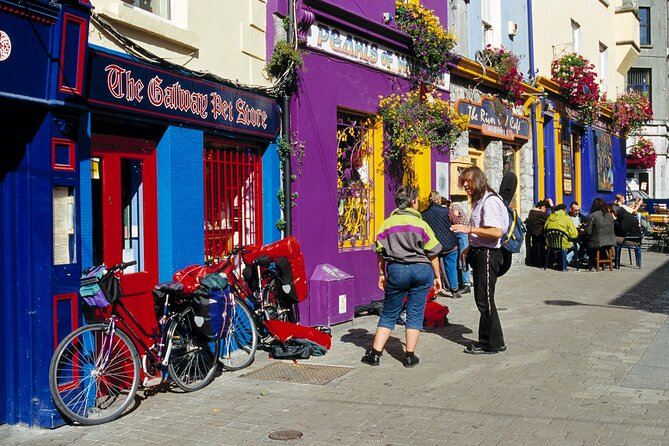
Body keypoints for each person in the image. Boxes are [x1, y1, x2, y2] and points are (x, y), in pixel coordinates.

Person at [362, 186, 442, 368]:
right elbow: (433, 253)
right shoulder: (422, 225)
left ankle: (375, 354)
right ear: (413, 202)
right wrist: (437, 276)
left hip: (397, 270)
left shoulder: (387, 224)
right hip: (422, 270)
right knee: (415, 312)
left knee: (389, 312)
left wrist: (381, 273)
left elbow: (380, 251)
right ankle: (409, 356)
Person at [451, 166, 509, 355]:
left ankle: (491, 343)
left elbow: (496, 231)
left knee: (485, 299)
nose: (465, 186)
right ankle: (490, 340)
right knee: (483, 299)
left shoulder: (489, 201)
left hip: (488, 254)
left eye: (468, 181)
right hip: (480, 251)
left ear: (478, 180)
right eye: (463, 182)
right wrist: (470, 247)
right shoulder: (478, 200)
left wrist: (469, 230)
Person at [422, 191, 461, 298]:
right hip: (450, 243)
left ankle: (432, 291)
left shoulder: (424, 214)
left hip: (433, 245)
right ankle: (454, 290)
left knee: (432, 267)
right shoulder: (447, 211)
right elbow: (456, 222)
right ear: (439, 199)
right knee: (451, 266)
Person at [447, 199, 472, 294]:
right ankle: (464, 281)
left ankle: (466, 284)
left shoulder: (455, 206)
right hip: (459, 233)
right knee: (460, 257)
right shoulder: (454, 207)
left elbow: (455, 218)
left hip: (462, 233)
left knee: (463, 257)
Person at [585, 198, 616, 270]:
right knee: (600, 243)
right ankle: (604, 263)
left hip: (598, 242)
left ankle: (592, 263)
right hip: (611, 241)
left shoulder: (592, 216)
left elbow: (588, 231)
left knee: (587, 242)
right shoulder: (609, 215)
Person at [524, 199, 553, 266]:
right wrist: (552, 205)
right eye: (546, 209)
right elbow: (554, 217)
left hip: (533, 234)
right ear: (542, 207)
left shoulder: (531, 212)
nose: (546, 211)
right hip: (540, 235)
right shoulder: (540, 214)